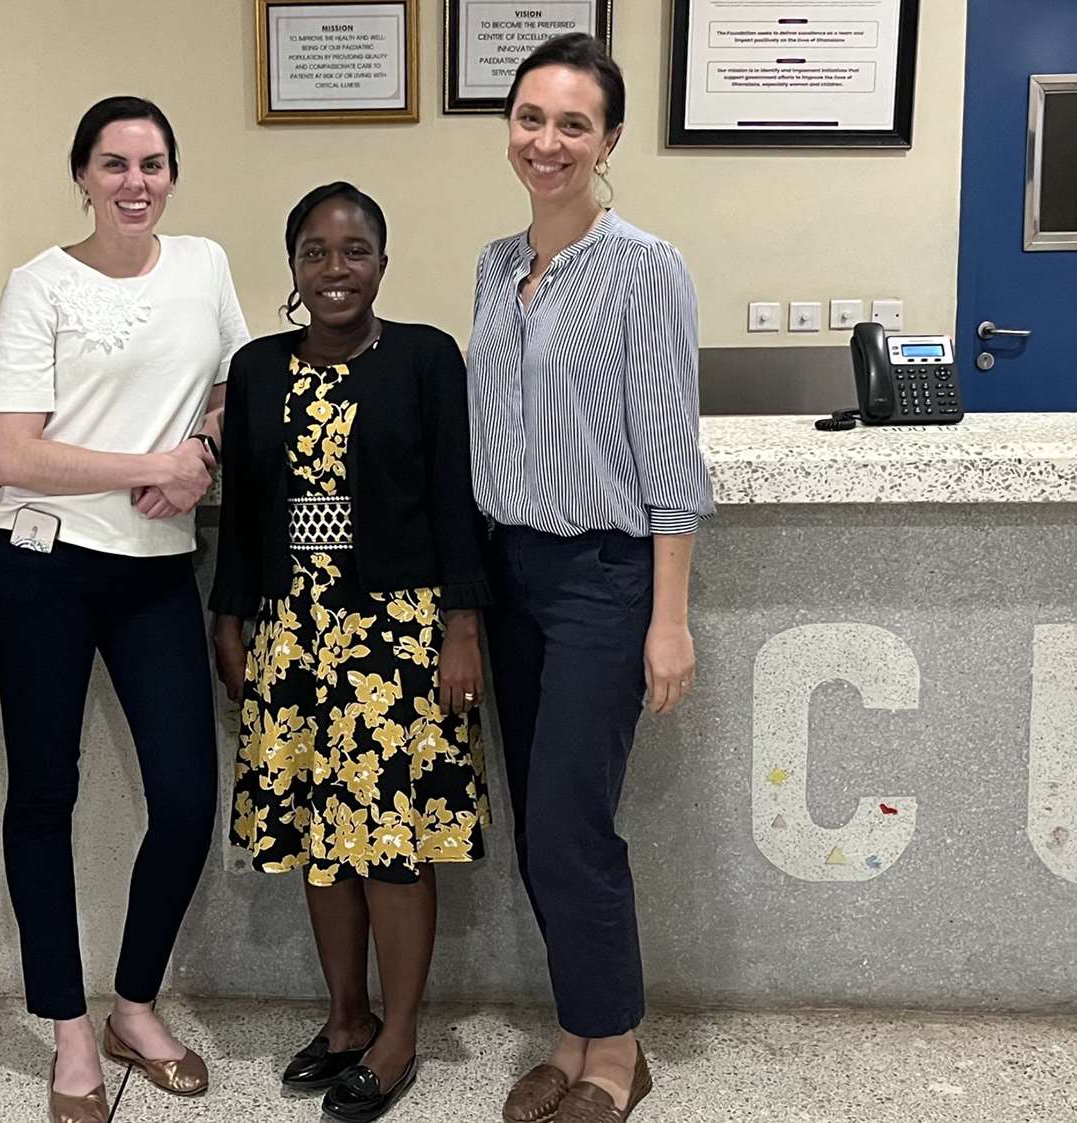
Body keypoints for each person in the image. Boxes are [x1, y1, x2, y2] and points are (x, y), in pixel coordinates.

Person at [0, 95, 250, 1123]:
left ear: (171, 174)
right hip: (40, 569)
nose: (135, 182)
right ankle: (70, 1032)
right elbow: (14, 452)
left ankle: (134, 1004)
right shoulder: (38, 284)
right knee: (44, 796)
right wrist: (152, 466)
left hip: (153, 570)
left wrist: (202, 455)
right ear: (83, 176)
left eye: (152, 163)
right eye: (114, 164)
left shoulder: (204, 266)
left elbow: (237, 387)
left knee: (185, 796)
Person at [466, 32, 715, 1123]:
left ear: (608, 141)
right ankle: (571, 1034)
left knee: (574, 823)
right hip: (510, 573)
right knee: (539, 822)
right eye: (531, 118)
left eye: (574, 123)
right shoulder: (493, 265)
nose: (548, 141)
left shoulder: (645, 268)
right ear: (509, 130)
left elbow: (669, 455)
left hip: (603, 580)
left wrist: (670, 617)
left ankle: (615, 1050)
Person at [210, 182, 491, 1123]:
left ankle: (398, 1034)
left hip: (398, 633)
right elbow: (244, 511)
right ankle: (344, 1019)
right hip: (292, 626)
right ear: (293, 267)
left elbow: (454, 496)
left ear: (383, 261)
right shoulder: (257, 367)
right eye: (316, 252)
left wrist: (463, 626)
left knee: (391, 839)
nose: (336, 269)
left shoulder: (425, 357)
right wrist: (229, 615)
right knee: (320, 838)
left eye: (355, 249)